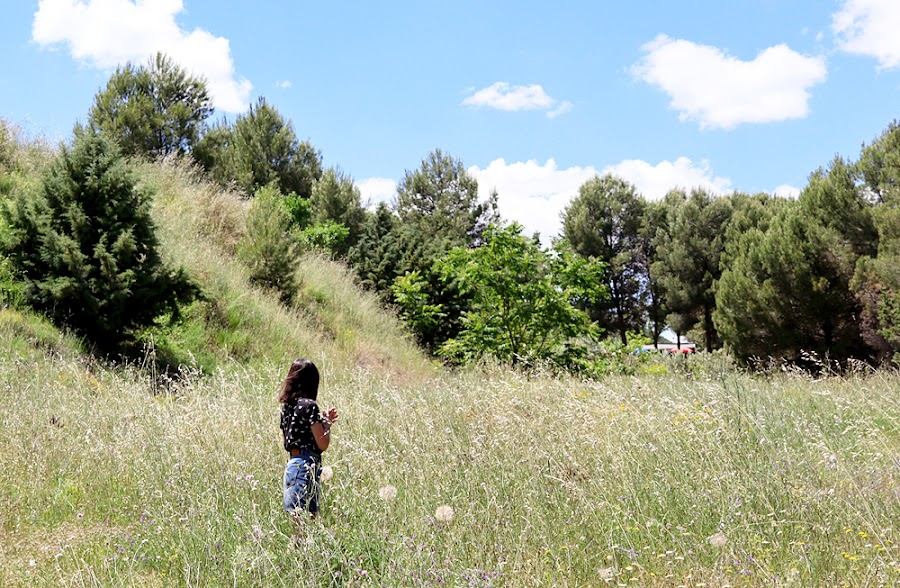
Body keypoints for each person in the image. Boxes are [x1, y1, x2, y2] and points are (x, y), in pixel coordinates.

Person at [278, 358, 338, 519]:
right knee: (307, 522)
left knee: (298, 523)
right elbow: (323, 443)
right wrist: (327, 424)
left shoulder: (287, 407)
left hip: (293, 465)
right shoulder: (309, 406)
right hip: (307, 465)